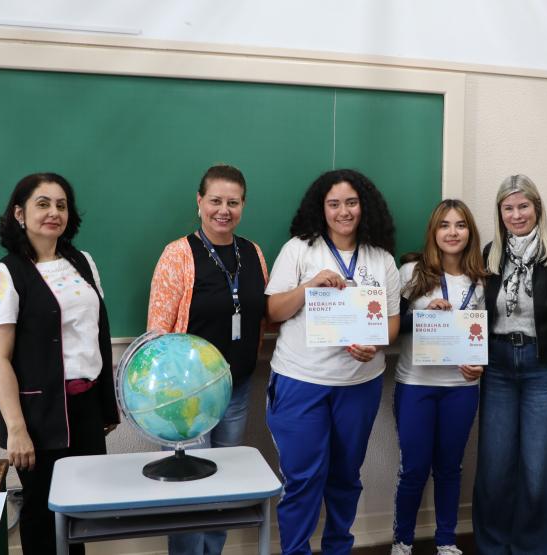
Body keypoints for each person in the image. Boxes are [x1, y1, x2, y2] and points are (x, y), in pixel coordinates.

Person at [0, 173, 119, 555]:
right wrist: (16, 430)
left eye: (61, 205)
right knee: (44, 514)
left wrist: (106, 405)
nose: (53, 212)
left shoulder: (83, 263)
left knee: (80, 512)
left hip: (86, 406)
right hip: (38, 415)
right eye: (42, 204)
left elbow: (94, 336)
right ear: (19, 214)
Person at [265, 169, 401, 555]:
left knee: (345, 478)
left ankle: (338, 548)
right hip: (301, 380)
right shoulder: (299, 249)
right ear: (321, 208)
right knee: (303, 479)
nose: (344, 211)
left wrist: (374, 344)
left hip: (359, 385)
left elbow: (392, 324)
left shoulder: (381, 259)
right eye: (334, 204)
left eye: (352, 203)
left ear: (364, 206)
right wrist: (310, 286)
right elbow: (274, 311)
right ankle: (295, 550)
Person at [147, 164, 268, 555]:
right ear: (199, 202)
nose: (224, 210)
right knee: (188, 487)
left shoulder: (253, 253)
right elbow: (157, 334)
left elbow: (261, 313)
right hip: (188, 398)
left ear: (243, 205)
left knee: (223, 486)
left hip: (236, 388)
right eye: (215, 201)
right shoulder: (178, 254)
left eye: (233, 202)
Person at [472, 174, 547, 555]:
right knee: (495, 466)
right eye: (508, 208)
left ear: (537, 208)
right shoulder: (490, 255)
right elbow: (475, 313)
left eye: (524, 206)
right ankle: (493, 545)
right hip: (498, 366)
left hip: (544, 368)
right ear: (500, 212)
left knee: (539, 470)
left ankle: (533, 547)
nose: (517, 215)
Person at [390, 199, 488, 555]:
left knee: (450, 468)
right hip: (415, 384)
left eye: (460, 225)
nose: (452, 232)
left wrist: (480, 365)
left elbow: (484, 335)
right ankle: (402, 541)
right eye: (444, 225)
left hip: (461, 387)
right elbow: (390, 327)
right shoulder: (411, 272)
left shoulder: (482, 280)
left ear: (470, 232)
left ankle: (446, 540)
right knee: (414, 468)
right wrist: (425, 315)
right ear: (433, 232)